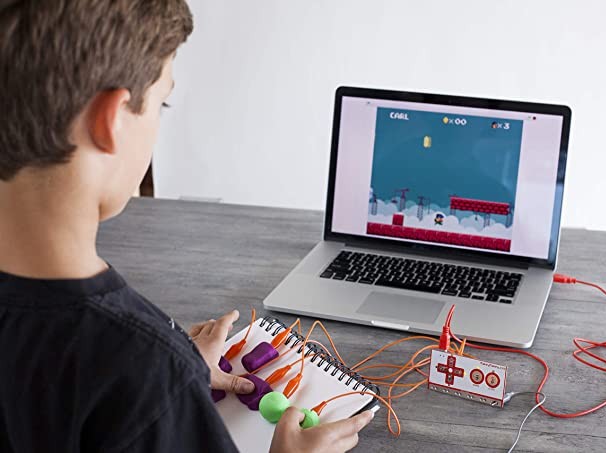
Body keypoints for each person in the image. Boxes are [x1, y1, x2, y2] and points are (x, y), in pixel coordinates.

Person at [0, 1, 373, 452]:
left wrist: (178, 372)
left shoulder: (143, 365)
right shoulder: (144, 366)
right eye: (162, 102)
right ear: (110, 120)